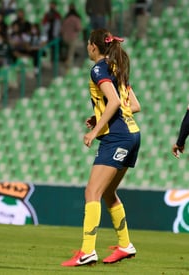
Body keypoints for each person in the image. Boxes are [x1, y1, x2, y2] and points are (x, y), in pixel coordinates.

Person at [61, 29, 141, 266]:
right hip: (133, 135)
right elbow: (133, 105)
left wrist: (94, 131)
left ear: (94, 47)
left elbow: (115, 102)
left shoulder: (98, 69)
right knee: (107, 193)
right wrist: (98, 117)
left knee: (92, 193)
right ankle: (125, 245)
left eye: (88, 43)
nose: (87, 47)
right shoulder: (117, 67)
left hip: (117, 138)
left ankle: (87, 251)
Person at [61, 3, 82, 70]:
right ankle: (68, 68)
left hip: (65, 37)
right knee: (70, 54)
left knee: (67, 52)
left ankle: (66, 65)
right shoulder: (76, 19)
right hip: (72, 38)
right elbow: (78, 28)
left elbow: (62, 29)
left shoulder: (66, 18)